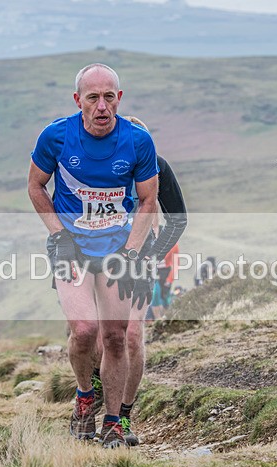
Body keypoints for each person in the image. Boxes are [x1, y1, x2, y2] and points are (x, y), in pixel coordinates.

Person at [28, 64, 159, 447]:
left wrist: (134, 250)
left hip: (118, 247)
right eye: (93, 97)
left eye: (109, 97)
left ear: (119, 98)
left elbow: (149, 198)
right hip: (72, 248)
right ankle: (85, 395)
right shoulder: (56, 136)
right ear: (78, 101)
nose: (102, 106)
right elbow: (36, 186)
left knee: (117, 337)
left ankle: (114, 422)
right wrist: (59, 234)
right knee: (84, 330)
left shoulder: (137, 141)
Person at [90, 116, 188, 446]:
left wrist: (153, 254)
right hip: (95, 258)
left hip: (139, 259)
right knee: (98, 338)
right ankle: (91, 397)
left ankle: (122, 418)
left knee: (131, 334)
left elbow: (178, 218)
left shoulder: (157, 165)